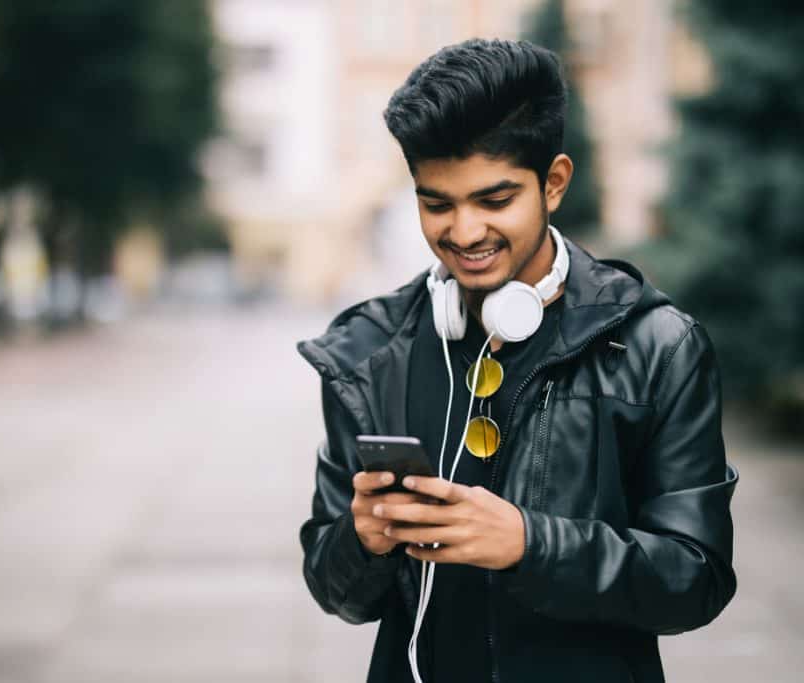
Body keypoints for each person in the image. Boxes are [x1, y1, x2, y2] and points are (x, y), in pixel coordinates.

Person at [296, 38, 737, 683]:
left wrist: (531, 546)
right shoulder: (368, 350)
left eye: (495, 201)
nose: (465, 233)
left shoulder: (658, 347)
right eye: (436, 203)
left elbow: (696, 579)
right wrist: (359, 540)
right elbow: (336, 591)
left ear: (553, 182)